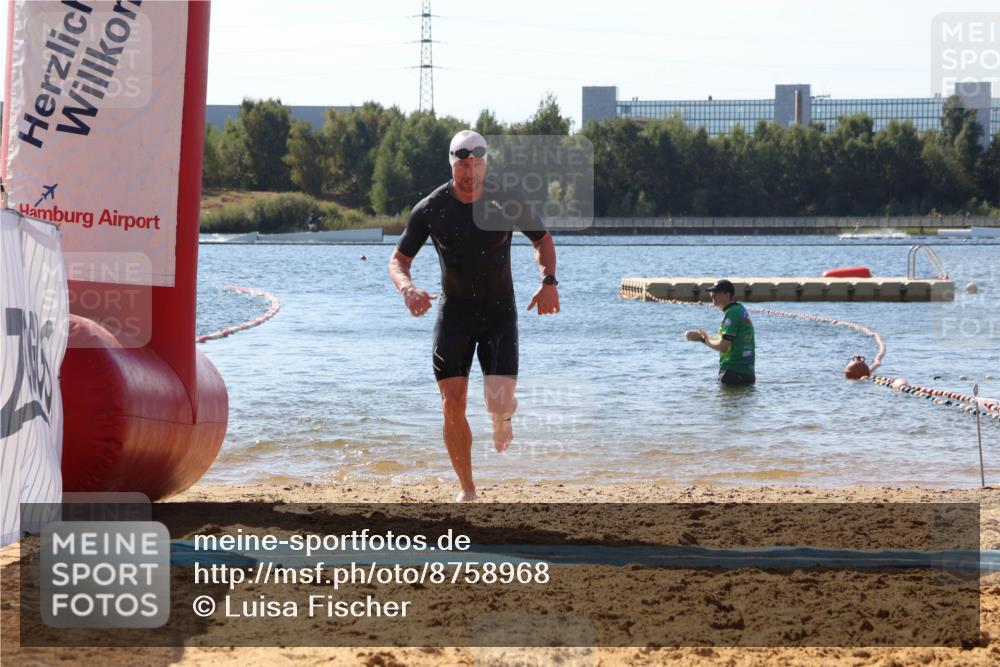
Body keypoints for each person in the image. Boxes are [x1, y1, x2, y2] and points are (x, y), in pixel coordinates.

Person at [388, 130, 560, 502]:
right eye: (463, 165)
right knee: (452, 402)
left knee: (497, 401)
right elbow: (399, 260)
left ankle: (503, 414)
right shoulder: (431, 208)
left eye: (477, 164)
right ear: (452, 164)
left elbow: (542, 239)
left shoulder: (507, 200)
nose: (470, 172)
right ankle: (467, 488)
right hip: (455, 315)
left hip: (499, 315)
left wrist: (548, 281)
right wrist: (408, 288)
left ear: (486, 163)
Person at [685, 279, 755, 386]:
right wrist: (703, 337)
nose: (712, 296)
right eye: (711, 292)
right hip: (747, 373)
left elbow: (723, 346)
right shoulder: (739, 309)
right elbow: (729, 341)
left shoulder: (732, 313)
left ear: (728, 294)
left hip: (733, 373)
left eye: (716, 293)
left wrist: (703, 340)